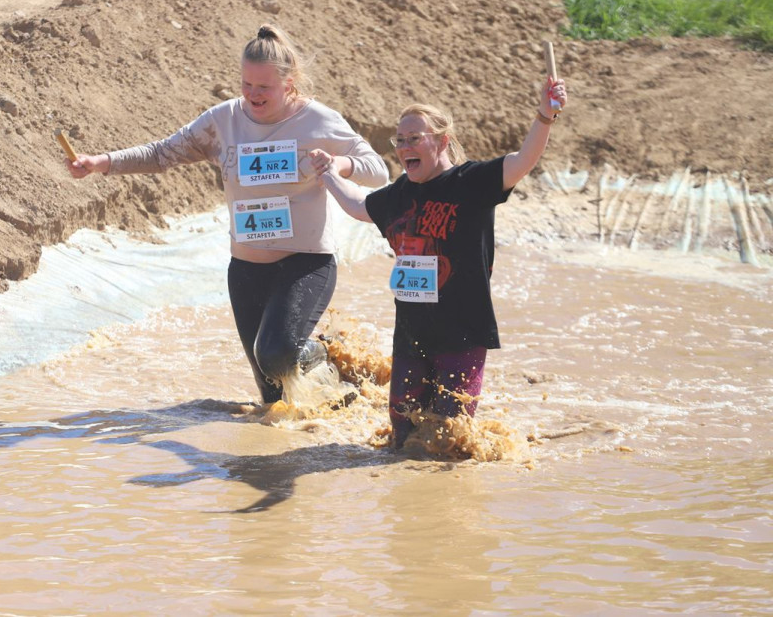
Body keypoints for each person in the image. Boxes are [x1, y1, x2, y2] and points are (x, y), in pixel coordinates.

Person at [64, 25, 389, 404]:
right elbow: (162, 153)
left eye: (264, 87)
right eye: (246, 84)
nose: (253, 94)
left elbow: (377, 170)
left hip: (305, 264)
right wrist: (101, 162)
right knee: (273, 396)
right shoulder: (223, 121)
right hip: (247, 269)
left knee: (276, 355)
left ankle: (325, 354)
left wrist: (338, 164)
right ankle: (331, 402)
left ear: (289, 83)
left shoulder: (317, 120)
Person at [313, 76, 568, 447]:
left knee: (448, 436)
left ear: (442, 141)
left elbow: (522, 160)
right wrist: (328, 174)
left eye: (414, 138)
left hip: (462, 333)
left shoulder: (471, 183)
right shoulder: (399, 194)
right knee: (402, 435)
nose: (405, 148)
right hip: (411, 334)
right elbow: (358, 205)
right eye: (400, 141)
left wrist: (544, 116)